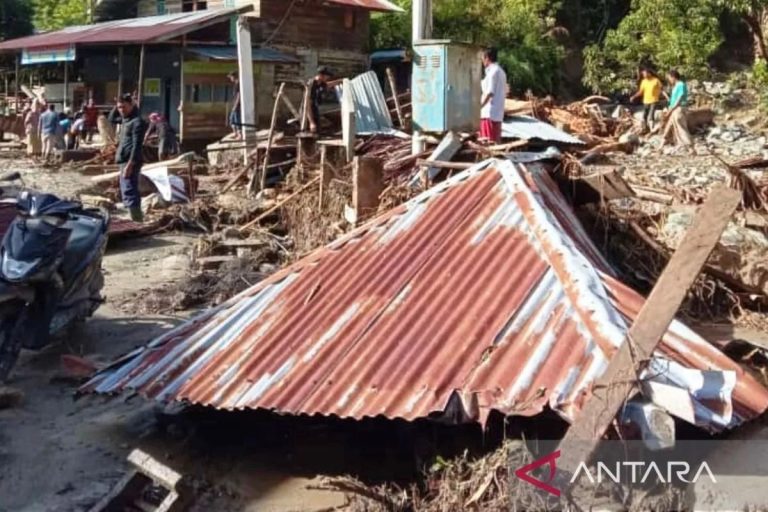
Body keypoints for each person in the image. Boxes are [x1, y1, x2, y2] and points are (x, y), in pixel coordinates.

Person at [108, 94, 147, 222]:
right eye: (119, 107)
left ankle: (137, 221)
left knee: (130, 191)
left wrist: (130, 164)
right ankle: (136, 219)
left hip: (130, 162)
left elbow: (137, 146)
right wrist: (117, 104)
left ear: (132, 105)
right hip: (124, 161)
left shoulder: (137, 122)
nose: (121, 110)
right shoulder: (126, 119)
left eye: (124, 107)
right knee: (127, 190)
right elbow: (111, 118)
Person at [479, 47, 507, 143]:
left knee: (487, 142)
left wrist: (479, 106)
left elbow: (490, 92)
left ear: (487, 58)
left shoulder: (492, 72)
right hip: (497, 113)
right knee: (495, 142)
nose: (482, 61)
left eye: (482, 58)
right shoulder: (501, 71)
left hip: (489, 113)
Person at [661, 69, 693, 153]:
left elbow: (679, 99)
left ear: (673, 77)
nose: (669, 80)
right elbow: (672, 100)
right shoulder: (675, 87)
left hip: (678, 109)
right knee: (668, 127)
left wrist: (670, 110)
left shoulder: (681, 84)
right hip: (673, 109)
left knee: (681, 128)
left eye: (669, 78)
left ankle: (691, 148)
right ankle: (660, 147)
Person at [306, 66, 340, 135]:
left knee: (318, 133)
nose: (328, 78)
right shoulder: (311, 85)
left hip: (315, 111)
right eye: (327, 76)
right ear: (320, 75)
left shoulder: (320, 83)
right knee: (310, 135)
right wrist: (311, 122)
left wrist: (340, 81)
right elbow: (307, 105)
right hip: (308, 114)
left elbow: (327, 85)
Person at [630, 67, 665, 132]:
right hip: (646, 101)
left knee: (651, 115)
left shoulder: (656, 80)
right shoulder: (643, 81)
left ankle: (652, 129)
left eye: (644, 74)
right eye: (643, 74)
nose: (643, 75)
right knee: (645, 115)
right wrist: (634, 97)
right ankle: (645, 128)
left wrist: (663, 95)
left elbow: (662, 89)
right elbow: (641, 92)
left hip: (654, 100)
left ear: (649, 73)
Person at [227, 72, 241, 139]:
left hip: (237, 105)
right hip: (235, 104)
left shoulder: (238, 84)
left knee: (236, 119)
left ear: (234, 76)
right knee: (232, 119)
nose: (230, 78)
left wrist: (236, 105)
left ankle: (239, 134)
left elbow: (239, 95)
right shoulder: (235, 84)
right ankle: (235, 133)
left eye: (231, 77)